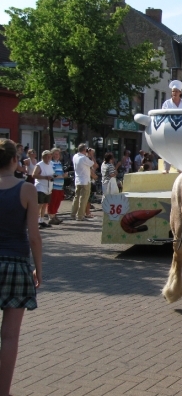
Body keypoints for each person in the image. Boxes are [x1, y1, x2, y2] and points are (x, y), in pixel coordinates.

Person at [0, 139, 42, 396]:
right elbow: (34, 237)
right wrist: (38, 268)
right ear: (15, 160)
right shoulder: (27, 190)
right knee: (10, 336)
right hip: (16, 265)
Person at [162, 80, 182, 173]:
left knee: (181, 148)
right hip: (169, 128)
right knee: (167, 148)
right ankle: (166, 168)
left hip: (181, 129)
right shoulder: (166, 103)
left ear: (180, 92)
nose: (175, 93)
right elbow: (164, 116)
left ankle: (180, 167)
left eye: (177, 91)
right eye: (173, 91)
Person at [71, 144, 95, 222]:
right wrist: (91, 155)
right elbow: (93, 163)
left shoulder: (75, 156)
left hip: (78, 180)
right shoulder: (84, 158)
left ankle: (73, 214)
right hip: (85, 180)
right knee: (83, 199)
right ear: (84, 150)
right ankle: (80, 215)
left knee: (76, 197)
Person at [32, 150, 55, 229]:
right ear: (43, 157)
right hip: (40, 187)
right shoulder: (39, 165)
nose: (48, 158)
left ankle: (41, 221)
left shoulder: (50, 164)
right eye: (47, 156)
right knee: (39, 204)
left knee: (45, 204)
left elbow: (52, 174)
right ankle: (35, 221)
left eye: (50, 156)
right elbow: (34, 175)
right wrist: (45, 177)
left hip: (48, 188)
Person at [47, 148, 66, 225]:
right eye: (55, 154)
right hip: (54, 186)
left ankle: (54, 215)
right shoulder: (51, 163)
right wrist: (62, 176)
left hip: (60, 186)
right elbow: (52, 175)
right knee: (53, 201)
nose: (56, 156)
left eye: (57, 154)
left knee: (58, 201)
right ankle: (51, 217)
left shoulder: (59, 163)